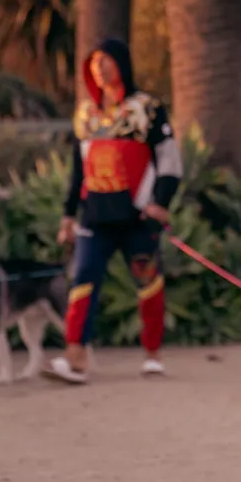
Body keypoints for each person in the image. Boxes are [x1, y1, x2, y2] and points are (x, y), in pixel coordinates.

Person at [43, 38, 183, 384]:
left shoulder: (147, 109)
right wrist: (67, 215)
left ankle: (152, 354)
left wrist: (160, 204)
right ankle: (75, 357)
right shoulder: (86, 115)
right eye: (93, 64)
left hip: (138, 217)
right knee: (83, 280)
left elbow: (169, 160)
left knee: (148, 281)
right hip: (95, 217)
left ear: (122, 64)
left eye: (105, 61)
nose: (99, 69)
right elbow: (79, 170)